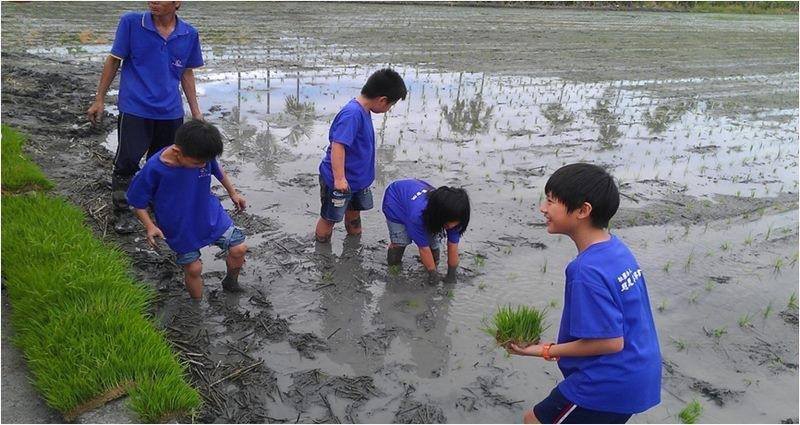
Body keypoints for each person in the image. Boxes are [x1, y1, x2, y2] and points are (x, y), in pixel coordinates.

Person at [506, 163, 661, 424]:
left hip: (607, 383)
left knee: (534, 420)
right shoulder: (617, 250)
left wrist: (544, 350)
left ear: (583, 210)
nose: (543, 208)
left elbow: (610, 342)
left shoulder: (585, 270)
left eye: (551, 201)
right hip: (638, 373)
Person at [87, 1, 204, 234]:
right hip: (135, 108)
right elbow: (114, 60)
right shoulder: (131, 23)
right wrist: (99, 98)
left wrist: (196, 112)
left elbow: (186, 72)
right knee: (127, 161)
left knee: (164, 162)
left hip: (170, 112)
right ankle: (122, 210)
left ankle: (153, 206)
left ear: (177, 2)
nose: (153, 1)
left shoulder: (188, 34)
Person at [126, 120, 247, 299]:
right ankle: (197, 306)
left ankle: (231, 282)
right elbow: (137, 201)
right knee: (193, 268)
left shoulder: (201, 156)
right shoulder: (154, 168)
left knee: (239, 249)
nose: (203, 166)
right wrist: (150, 226)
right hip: (179, 226)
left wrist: (233, 193)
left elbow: (218, 170)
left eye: (205, 162)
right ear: (177, 152)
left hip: (209, 214)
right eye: (198, 163)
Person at [314, 68, 407, 243]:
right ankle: (321, 249)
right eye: (391, 105)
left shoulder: (364, 110)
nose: (389, 109)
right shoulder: (352, 114)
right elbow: (338, 146)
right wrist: (339, 179)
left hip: (356, 181)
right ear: (382, 100)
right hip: (339, 182)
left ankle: (354, 244)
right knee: (330, 218)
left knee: (354, 213)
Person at [382, 178, 470, 285]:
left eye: (454, 223)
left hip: (415, 198)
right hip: (395, 201)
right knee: (400, 241)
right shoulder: (417, 216)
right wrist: (433, 275)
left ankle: (430, 267)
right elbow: (423, 249)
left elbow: (453, 247)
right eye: (448, 223)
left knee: (434, 248)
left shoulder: (456, 216)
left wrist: (451, 276)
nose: (451, 226)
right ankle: (393, 270)